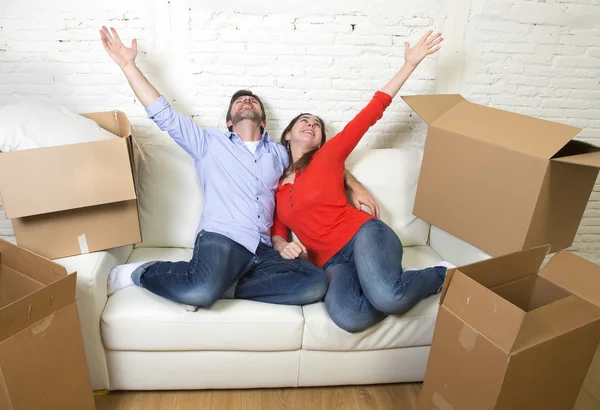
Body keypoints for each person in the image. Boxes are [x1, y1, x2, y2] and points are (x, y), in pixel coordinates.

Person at [99, 26, 377, 311]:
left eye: (253, 100)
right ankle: (140, 273)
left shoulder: (280, 154)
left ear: (263, 122)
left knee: (314, 283)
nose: (247, 100)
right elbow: (163, 113)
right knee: (201, 290)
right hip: (223, 238)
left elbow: (317, 163)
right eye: (239, 101)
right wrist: (128, 65)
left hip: (262, 249)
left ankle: (222, 285)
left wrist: (354, 186)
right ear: (229, 121)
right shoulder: (207, 143)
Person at [271, 30, 454, 332]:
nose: (311, 125)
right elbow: (278, 231)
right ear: (287, 134)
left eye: (316, 124)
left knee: (389, 298)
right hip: (333, 263)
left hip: (363, 235)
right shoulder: (277, 186)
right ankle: (393, 280)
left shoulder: (327, 157)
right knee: (349, 317)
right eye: (304, 120)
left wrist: (409, 65)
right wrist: (282, 247)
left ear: (320, 141)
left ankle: (440, 276)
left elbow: (371, 112)